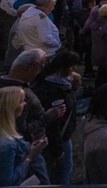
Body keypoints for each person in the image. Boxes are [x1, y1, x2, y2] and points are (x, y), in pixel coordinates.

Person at [0, 49, 63, 143]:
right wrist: (49, 117)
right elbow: (21, 131)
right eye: (40, 68)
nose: (39, 73)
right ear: (31, 68)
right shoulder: (20, 96)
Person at [31, 50, 81, 186]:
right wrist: (58, 149)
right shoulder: (54, 90)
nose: (75, 69)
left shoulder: (51, 82)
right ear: (62, 68)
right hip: (59, 138)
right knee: (63, 172)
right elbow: (54, 124)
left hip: (61, 135)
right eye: (72, 66)